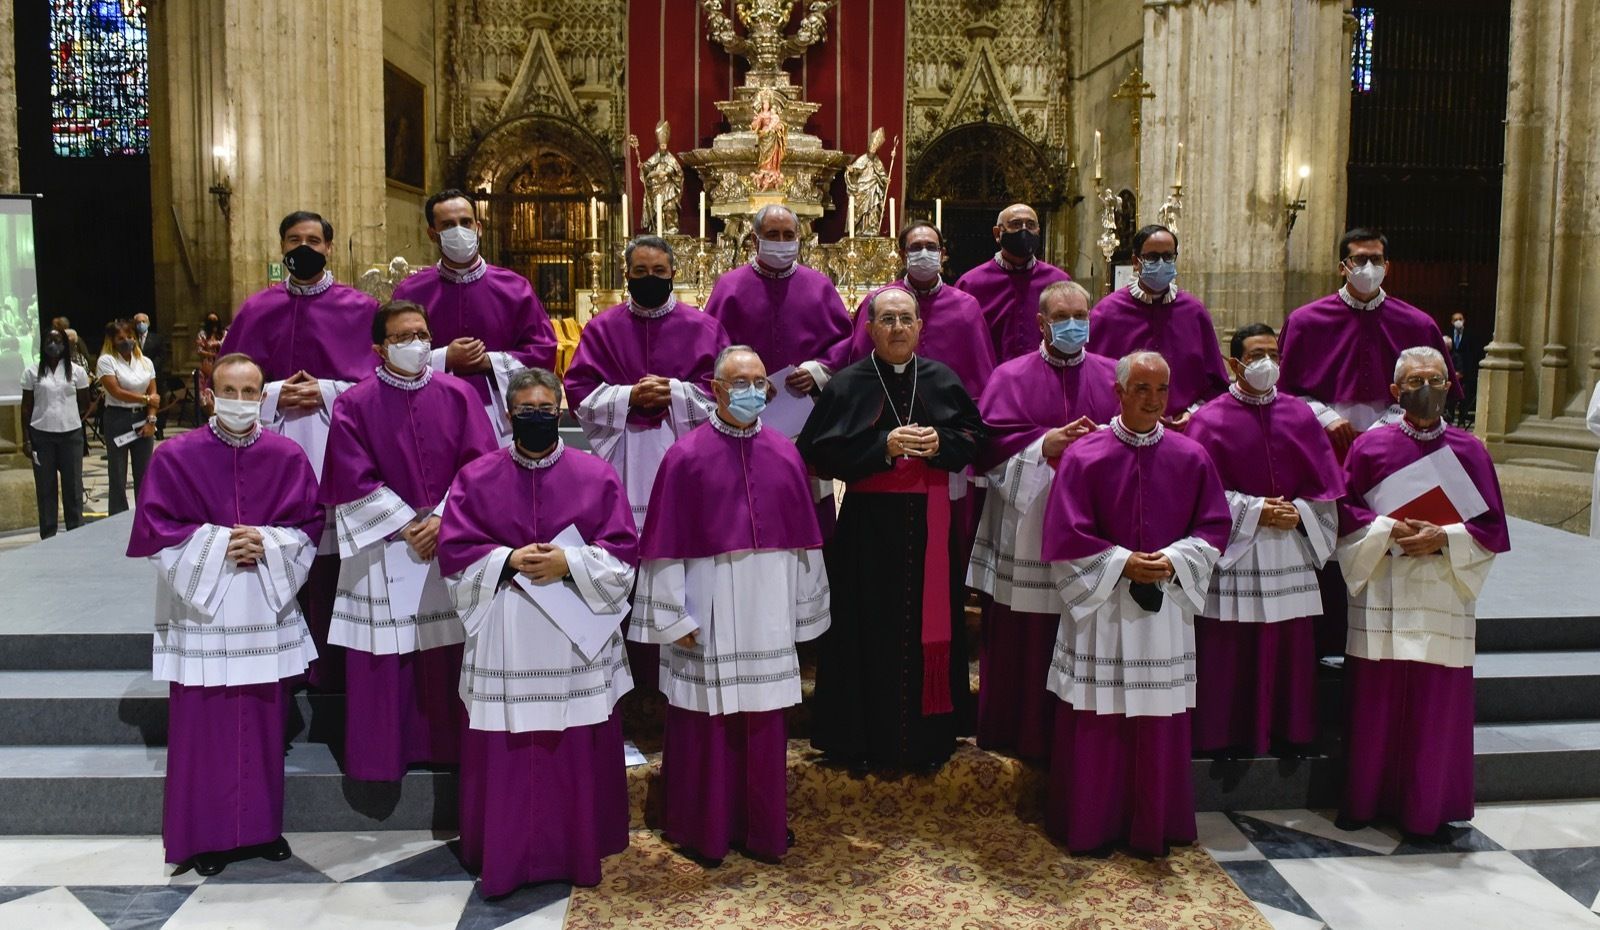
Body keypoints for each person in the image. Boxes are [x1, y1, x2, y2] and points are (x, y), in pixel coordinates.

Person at [438, 367, 639, 895]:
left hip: (575, 638)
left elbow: (623, 555)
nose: (535, 418)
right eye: (524, 411)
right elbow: (455, 556)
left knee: (572, 743)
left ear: (561, 411)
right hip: (507, 632)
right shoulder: (476, 476)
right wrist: (507, 559)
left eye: (544, 410)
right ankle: (505, 853)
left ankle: (574, 851)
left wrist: (569, 563)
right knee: (509, 746)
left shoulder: (595, 475)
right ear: (508, 415)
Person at [126, 353, 323, 875]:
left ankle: (261, 829)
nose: (240, 401)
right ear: (210, 395)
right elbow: (154, 529)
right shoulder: (175, 456)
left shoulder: (287, 456)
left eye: (250, 391)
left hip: (263, 607)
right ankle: (206, 836)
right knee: (205, 726)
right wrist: (217, 546)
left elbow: (309, 525)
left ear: (264, 396)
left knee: (264, 720)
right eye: (229, 391)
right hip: (203, 614)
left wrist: (267, 541)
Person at [632, 345, 829, 863]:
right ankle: (705, 829)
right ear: (715, 390)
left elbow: (803, 543)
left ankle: (761, 828)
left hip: (767, 610)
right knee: (706, 722)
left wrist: (804, 608)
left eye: (759, 382)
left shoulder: (786, 452)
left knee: (763, 723)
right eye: (738, 382)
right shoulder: (686, 456)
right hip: (707, 607)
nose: (751, 391)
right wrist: (673, 616)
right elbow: (664, 546)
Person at [1040, 351, 1231, 856]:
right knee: (1098, 719)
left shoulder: (1191, 456)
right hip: (1101, 608)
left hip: (1163, 611)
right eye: (1142, 389)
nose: (1153, 400)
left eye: (1162, 389)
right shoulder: (1085, 456)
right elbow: (1064, 534)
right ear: (1118, 392)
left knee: (1157, 719)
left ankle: (1154, 825)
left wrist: (1172, 560)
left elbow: (1214, 527)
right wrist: (1122, 562)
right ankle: (1091, 823)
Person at [798, 286, 985, 773]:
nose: (898, 328)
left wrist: (937, 440)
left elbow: (974, 437)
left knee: (931, 627)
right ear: (870, 329)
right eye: (887, 320)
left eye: (906, 319)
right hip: (868, 534)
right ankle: (859, 737)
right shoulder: (848, 384)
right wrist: (883, 446)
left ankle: (929, 737)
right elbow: (818, 450)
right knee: (865, 629)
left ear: (921, 327)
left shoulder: (942, 379)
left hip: (931, 530)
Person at [319, 301, 498, 781]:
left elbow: (481, 467)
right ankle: (384, 757)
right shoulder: (353, 403)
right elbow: (349, 474)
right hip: (383, 542)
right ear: (379, 348)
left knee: (449, 648)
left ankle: (449, 747)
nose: (414, 344)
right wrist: (404, 525)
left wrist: (444, 519)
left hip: (450, 538)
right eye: (401, 337)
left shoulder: (460, 395)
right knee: (387, 654)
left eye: (421, 333)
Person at [1334, 346, 1508, 839]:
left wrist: (1442, 538)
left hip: (1441, 586)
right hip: (1386, 581)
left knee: (1434, 702)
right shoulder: (1370, 447)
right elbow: (1346, 513)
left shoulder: (1470, 450)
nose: (1425, 388)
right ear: (1395, 391)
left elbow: (1492, 526)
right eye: (1414, 381)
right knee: (1377, 696)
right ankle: (1365, 800)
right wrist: (1388, 528)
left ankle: (1425, 808)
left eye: (1434, 379)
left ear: (1451, 386)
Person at [220, 210, 380, 688]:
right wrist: (271, 394)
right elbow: (227, 380)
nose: (304, 247)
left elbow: (381, 383)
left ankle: (332, 668)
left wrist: (328, 391)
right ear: (282, 246)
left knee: (333, 561)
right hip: (271, 448)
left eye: (313, 239)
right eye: (294, 239)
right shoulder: (256, 309)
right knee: (277, 550)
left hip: (338, 449)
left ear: (329, 247)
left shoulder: (360, 308)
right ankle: (279, 663)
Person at [564, 235, 728, 690]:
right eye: (641, 273)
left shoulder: (704, 327)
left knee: (683, 554)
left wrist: (674, 392)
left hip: (686, 461)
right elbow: (578, 390)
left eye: (659, 272)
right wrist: (628, 396)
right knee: (626, 558)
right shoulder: (602, 328)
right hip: (625, 459)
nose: (650, 280)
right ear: (627, 276)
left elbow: (725, 390)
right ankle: (629, 669)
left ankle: (684, 664)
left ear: (674, 273)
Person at [968, 280, 1117, 762]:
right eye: (1062, 317)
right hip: (1027, 522)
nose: (1074, 325)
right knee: (1025, 636)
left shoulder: (1113, 375)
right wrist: (1043, 446)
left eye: (1081, 315)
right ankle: (1020, 731)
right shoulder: (1010, 376)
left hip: (1092, 526)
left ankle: (1077, 736)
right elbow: (986, 447)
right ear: (1041, 323)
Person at [1184, 323, 1344, 759]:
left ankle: (1288, 730)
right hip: (1237, 552)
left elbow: (1325, 490)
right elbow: (1199, 494)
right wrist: (1256, 511)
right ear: (1234, 364)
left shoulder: (1299, 415)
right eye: (1255, 356)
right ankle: (1224, 734)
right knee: (1230, 646)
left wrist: (1302, 512)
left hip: (1288, 548)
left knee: (1287, 645)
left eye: (1273, 354)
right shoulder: (1208, 420)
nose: (1266, 363)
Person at [392, 189, 559, 446]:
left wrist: (487, 362)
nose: (459, 230)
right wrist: (446, 357)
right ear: (432, 234)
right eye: (448, 225)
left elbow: (543, 350)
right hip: (430, 409)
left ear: (478, 227)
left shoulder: (514, 288)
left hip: (498, 412)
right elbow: (391, 351)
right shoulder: (411, 292)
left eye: (465, 222)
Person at [1280, 228, 1458, 457]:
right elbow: (1285, 390)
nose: (1369, 267)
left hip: (1399, 440)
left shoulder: (1418, 325)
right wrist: (1326, 417)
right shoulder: (1304, 321)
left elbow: (1436, 394)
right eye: (1360, 259)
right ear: (1342, 268)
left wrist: (1391, 421)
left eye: (1376, 259)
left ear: (1387, 267)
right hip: (1324, 440)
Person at [703, 204, 853, 398]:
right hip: (742, 400)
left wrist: (815, 372)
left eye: (789, 235)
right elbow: (711, 343)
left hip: (806, 402)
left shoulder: (819, 285)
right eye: (773, 235)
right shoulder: (729, 286)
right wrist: (746, 378)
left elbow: (844, 340)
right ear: (755, 240)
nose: (782, 242)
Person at [1087, 224, 1229, 427]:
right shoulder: (1107, 313)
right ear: (1136, 261)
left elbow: (1215, 383)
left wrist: (1193, 413)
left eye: (1168, 257)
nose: (1161, 263)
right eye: (1153, 257)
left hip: (1185, 429)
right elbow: (1093, 380)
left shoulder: (1194, 312)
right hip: (1121, 429)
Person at [847, 221, 996, 401]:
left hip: (948, 409)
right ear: (903, 255)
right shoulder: (879, 301)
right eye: (916, 247)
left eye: (931, 247)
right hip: (887, 405)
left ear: (942, 255)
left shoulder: (967, 306)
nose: (924, 253)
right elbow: (859, 364)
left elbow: (981, 374)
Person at [953, 203, 1073, 363]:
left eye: (1030, 225)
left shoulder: (1059, 281)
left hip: (1045, 376)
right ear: (997, 233)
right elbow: (963, 341)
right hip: (992, 378)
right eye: (1016, 225)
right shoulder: (971, 284)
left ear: (1038, 231)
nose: (1024, 230)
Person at [21, 328, 90, 538]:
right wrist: (26, 439)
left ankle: (75, 532)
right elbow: (26, 407)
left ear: (65, 344)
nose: (54, 344)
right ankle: (48, 535)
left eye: (58, 340)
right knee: (46, 489)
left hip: (70, 436)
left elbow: (84, 402)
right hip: (42, 435)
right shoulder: (32, 371)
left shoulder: (77, 371)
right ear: (43, 344)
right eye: (49, 340)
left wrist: (68, 415)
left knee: (73, 488)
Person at [97, 318, 158, 515]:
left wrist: (151, 420)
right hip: (117, 418)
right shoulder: (107, 360)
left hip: (142, 418)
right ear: (112, 341)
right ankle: (118, 516)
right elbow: (116, 391)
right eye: (121, 338)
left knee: (144, 472)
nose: (127, 341)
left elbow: (154, 395)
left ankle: (144, 515)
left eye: (130, 337)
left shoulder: (145, 362)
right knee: (118, 473)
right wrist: (146, 398)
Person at [1445, 311, 1481, 426]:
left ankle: (1462, 419)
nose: (1458, 321)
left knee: (1464, 397)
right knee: (1451, 397)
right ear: (1452, 322)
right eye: (1455, 319)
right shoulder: (1448, 334)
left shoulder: (1470, 334)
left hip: (1466, 370)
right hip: (1453, 369)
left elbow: (1474, 353)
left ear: (1464, 320)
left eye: (1460, 319)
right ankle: (1449, 418)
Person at [132, 312, 168, 380]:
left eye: (143, 321)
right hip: (137, 375)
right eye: (138, 322)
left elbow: (161, 355)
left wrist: (150, 368)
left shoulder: (157, 338)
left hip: (154, 374)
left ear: (148, 323)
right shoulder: (132, 338)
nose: (141, 324)